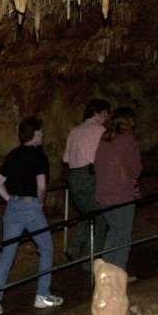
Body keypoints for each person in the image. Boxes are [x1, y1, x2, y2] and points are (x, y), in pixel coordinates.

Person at [0, 116, 63, 315]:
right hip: (31, 206)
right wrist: (39, 203)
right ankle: (42, 295)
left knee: (7, 254)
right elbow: (42, 186)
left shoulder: (12, 155)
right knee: (46, 248)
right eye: (40, 133)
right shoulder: (38, 156)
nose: (42, 136)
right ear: (34, 134)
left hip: (13, 208)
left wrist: (10, 200)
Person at [93, 107, 142, 272]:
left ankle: (105, 274)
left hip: (103, 194)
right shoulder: (128, 140)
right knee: (123, 236)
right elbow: (135, 169)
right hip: (121, 195)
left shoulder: (105, 139)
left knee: (114, 233)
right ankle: (117, 277)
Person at [62, 100, 110, 261]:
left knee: (86, 213)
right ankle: (91, 260)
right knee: (101, 217)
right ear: (96, 113)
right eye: (104, 113)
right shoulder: (99, 130)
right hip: (90, 175)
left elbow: (66, 159)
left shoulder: (74, 131)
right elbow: (104, 158)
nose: (106, 117)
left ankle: (74, 248)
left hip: (74, 177)